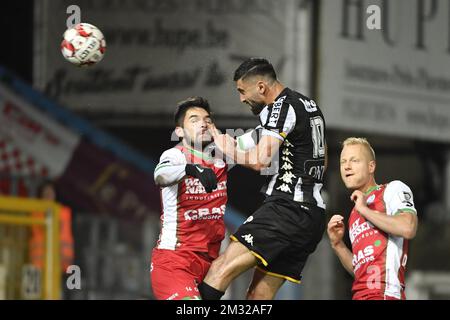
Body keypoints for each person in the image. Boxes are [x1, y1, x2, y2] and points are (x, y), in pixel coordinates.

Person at [199, 57, 328, 300]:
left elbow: (259, 160)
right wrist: (218, 141)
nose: (241, 99)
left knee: (219, 268)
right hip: (312, 217)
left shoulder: (281, 107)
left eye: (241, 91)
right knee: (258, 297)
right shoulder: (307, 104)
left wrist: (228, 150)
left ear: (261, 87)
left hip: (286, 210)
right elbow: (323, 158)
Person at [150, 96, 229, 300]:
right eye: (194, 120)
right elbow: (160, 174)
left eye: (207, 119)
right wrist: (189, 169)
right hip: (176, 261)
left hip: (211, 265)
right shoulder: (176, 155)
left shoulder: (222, 158)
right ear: (179, 131)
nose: (203, 123)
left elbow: (258, 148)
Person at [327, 137, 418, 300]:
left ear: (371, 166)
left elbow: (408, 227)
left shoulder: (392, 189)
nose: (347, 166)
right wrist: (337, 245)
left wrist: (364, 210)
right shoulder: (354, 213)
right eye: (343, 162)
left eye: (354, 160)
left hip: (385, 294)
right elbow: (360, 271)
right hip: (360, 295)